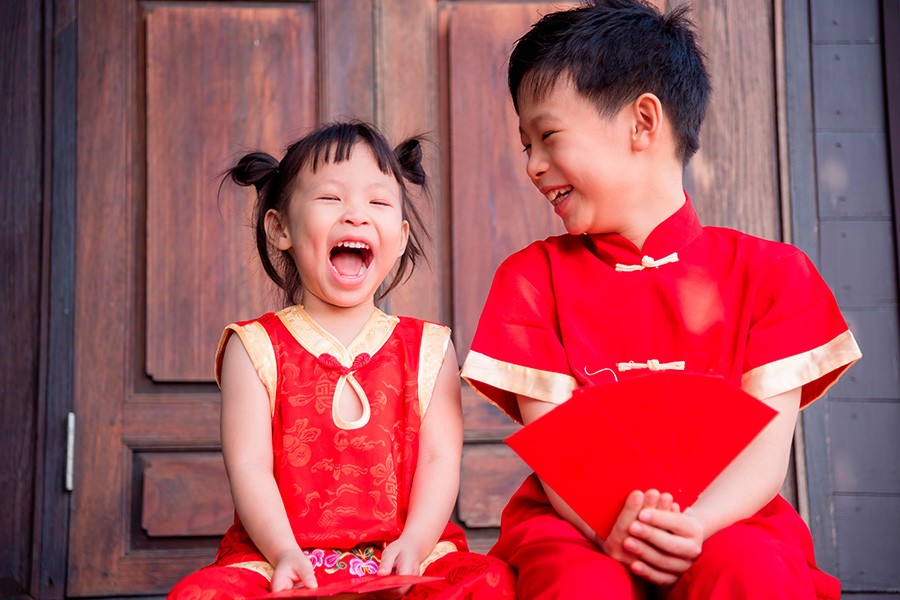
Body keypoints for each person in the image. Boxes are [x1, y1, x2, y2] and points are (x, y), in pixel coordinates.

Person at [460, 1, 861, 598]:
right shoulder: (531, 279)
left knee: (748, 571)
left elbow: (765, 453)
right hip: (572, 521)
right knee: (581, 585)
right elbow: (560, 453)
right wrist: (616, 532)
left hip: (730, 515)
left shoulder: (774, 274)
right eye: (526, 147)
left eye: (546, 136)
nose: (534, 167)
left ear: (642, 123)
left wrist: (694, 525)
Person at [169, 122, 514, 599]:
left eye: (378, 203)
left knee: (490, 583)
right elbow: (248, 466)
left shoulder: (429, 347)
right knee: (200, 595)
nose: (357, 216)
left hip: (402, 556)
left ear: (399, 236)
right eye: (331, 199)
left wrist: (414, 543)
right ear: (280, 228)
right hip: (284, 558)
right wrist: (284, 553)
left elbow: (439, 461)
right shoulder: (254, 347)